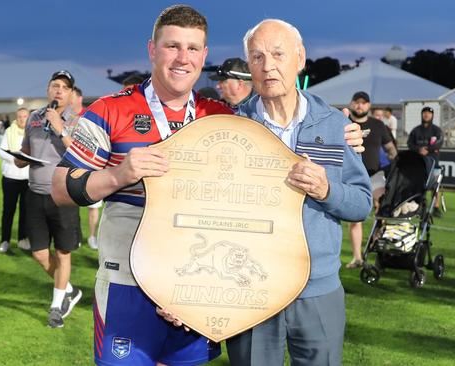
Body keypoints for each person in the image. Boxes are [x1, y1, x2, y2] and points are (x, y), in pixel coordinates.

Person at [51, 6, 364, 365]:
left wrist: (343, 137)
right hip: (130, 285)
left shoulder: (219, 116)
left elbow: (283, 165)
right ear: (152, 49)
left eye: (193, 48)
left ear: (204, 56)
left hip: (203, 289)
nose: (183, 58)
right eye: (172, 46)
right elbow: (61, 189)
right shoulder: (111, 110)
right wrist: (116, 176)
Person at [222, 19, 372, 366]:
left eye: (278, 54)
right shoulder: (232, 127)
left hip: (318, 290)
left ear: (300, 59)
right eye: (257, 57)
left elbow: (361, 204)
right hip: (250, 289)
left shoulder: (335, 126)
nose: (268, 66)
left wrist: (326, 190)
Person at [14, 70, 82, 328]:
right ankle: (69, 290)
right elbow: (26, 152)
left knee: (63, 253)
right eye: (55, 85)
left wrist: (60, 127)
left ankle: (56, 307)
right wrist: (20, 157)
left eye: (64, 87)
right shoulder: (33, 117)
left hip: (63, 195)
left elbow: (80, 155)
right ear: (47, 90)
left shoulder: (77, 120)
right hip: (34, 193)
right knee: (40, 254)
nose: (59, 90)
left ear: (70, 93)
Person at [345, 93, 396, 269]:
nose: (360, 106)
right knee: (355, 217)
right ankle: (357, 257)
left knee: (381, 210)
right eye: (357, 103)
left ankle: (379, 247)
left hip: (374, 175)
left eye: (363, 103)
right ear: (351, 104)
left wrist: (395, 167)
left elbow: (391, 149)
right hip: (351, 175)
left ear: (369, 105)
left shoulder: (378, 125)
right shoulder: (342, 122)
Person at [71, 86, 102, 250]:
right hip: (72, 168)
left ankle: (92, 236)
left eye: (72, 96)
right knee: (72, 206)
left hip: (92, 167)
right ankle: (75, 235)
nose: (69, 100)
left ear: (79, 98)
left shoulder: (91, 116)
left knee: (93, 206)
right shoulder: (67, 118)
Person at [0, 107, 31, 253]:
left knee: (25, 211)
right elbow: (1, 151)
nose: (22, 119)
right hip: (10, 178)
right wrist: (16, 160)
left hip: (28, 179)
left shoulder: (33, 133)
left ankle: (22, 239)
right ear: (16, 118)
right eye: (20, 116)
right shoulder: (9, 131)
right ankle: (5, 240)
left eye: (25, 116)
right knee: (8, 211)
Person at [408, 106, 444, 216]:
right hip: (419, 162)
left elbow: (439, 143)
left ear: (432, 115)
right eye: (424, 113)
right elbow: (410, 144)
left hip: (433, 161)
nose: (426, 115)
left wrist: (427, 149)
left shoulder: (436, 130)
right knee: (419, 184)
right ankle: (418, 206)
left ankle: (436, 207)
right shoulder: (416, 130)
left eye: (429, 113)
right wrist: (419, 149)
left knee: (435, 185)